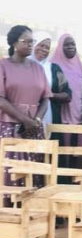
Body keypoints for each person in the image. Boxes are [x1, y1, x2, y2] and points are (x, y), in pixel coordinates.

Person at [0, 25, 50, 188]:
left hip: (34, 129)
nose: (30, 44)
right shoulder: (3, 65)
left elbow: (45, 98)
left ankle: (33, 213)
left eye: (32, 41)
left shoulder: (38, 68)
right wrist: (24, 120)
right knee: (10, 175)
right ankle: (8, 212)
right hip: (9, 127)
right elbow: (1, 99)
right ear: (14, 43)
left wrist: (35, 120)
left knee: (34, 174)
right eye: (26, 41)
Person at [30, 32, 71, 126]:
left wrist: (49, 95)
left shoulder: (54, 69)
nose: (44, 49)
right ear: (33, 45)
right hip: (24, 115)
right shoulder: (22, 66)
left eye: (47, 47)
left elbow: (67, 95)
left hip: (51, 115)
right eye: (41, 45)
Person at [50, 34, 82, 126]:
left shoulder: (80, 68)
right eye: (66, 44)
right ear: (60, 47)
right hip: (60, 115)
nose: (71, 47)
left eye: (73, 44)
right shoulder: (53, 67)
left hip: (80, 114)